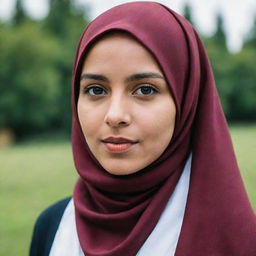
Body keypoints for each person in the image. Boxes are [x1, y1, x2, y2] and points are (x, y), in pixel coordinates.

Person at [29, 2, 256, 256]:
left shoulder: (235, 240)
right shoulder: (52, 227)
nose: (115, 116)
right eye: (96, 90)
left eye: (145, 90)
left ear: (187, 101)